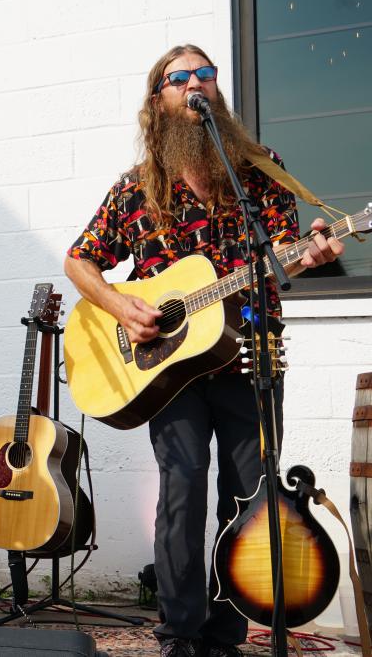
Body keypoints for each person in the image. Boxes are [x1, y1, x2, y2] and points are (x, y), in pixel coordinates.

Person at [64, 45, 344, 657]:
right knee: (184, 486)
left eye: (206, 74)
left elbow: (289, 251)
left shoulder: (260, 169)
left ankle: (227, 631)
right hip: (170, 368)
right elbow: (78, 261)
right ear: (158, 99)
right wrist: (122, 308)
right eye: (180, 76)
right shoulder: (138, 189)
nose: (197, 83)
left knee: (247, 493)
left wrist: (321, 251)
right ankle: (180, 632)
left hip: (250, 353)